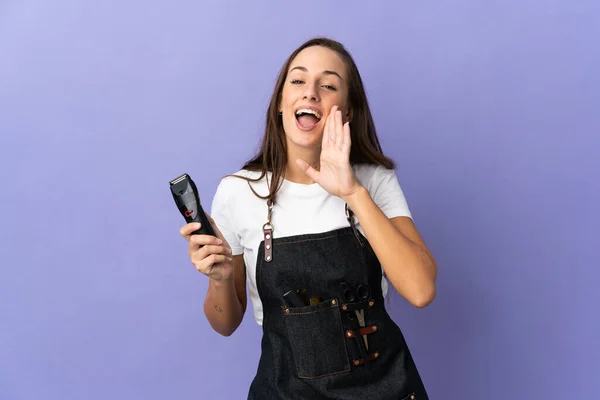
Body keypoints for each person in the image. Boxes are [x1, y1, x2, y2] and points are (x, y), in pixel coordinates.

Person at [179, 37, 437, 400]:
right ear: (281, 104)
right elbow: (224, 323)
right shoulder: (238, 192)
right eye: (297, 81)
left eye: (328, 85)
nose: (310, 92)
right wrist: (219, 279)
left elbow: (422, 290)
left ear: (346, 112)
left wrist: (352, 192)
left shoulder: (373, 181)